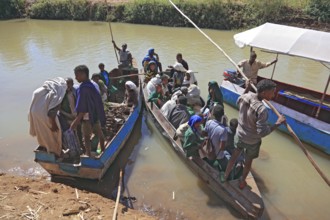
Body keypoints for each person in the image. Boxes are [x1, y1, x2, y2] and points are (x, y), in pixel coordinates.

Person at [223, 79, 286, 189]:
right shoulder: (262, 110)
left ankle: (225, 176)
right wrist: (278, 123)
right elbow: (262, 132)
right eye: (272, 92)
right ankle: (242, 182)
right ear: (263, 93)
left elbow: (238, 101)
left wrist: (247, 88)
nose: (273, 95)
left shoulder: (246, 96)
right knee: (248, 162)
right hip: (252, 141)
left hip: (240, 135)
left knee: (234, 156)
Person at [70, 65, 106, 157]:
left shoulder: (83, 88)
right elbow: (97, 102)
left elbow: (82, 108)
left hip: (86, 118)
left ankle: (88, 155)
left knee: (86, 137)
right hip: (94, 116)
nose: (75, 78)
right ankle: (103, 151)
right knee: (100, 134)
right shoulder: (92, 85)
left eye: (77, 75)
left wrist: (76, 121)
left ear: (83, 75)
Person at [29, 77, 67, 157]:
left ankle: (45, 147)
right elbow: (51, 111)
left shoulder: (39, 90)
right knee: (54, 132)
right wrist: (53, 123)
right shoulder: (58, 92)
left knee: (42, 132)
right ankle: (56, 151)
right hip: (45, 115)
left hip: (34, 114)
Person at [204, 105, 228, 175]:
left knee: (210, 160)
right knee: (227, 166)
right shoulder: (223, 130)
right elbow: (222, 148)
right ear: (222, 115)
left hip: (208, 150)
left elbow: (205, 134)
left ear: (213, 114)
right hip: (218, 155)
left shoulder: (209, 122)